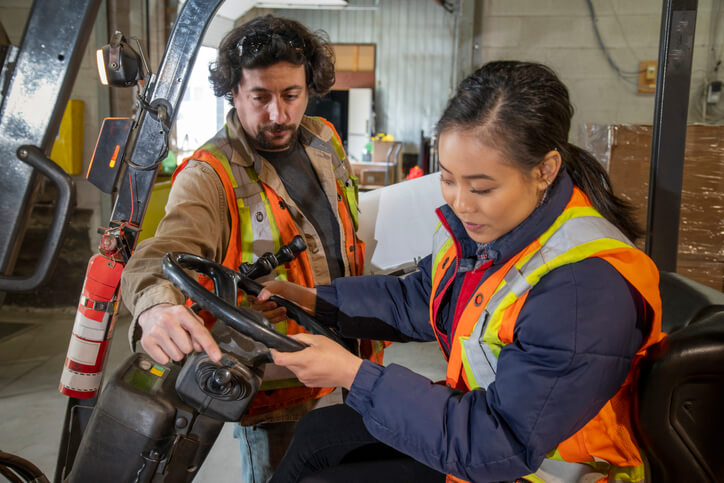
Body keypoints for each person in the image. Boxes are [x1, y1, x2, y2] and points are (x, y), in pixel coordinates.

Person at [257, 61, 665, 483]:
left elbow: (501, 442)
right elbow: (422, 297)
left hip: (529, 468)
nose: (461, 202)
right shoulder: (490, 231)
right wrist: (315, 300)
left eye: (482, 187)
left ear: (544, 170)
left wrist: (353, 374)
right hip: (478, 433)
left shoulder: (583, 288)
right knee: (318, 434)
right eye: (449, 179)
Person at [120, 15, 384, 483]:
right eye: (260, 97)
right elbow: (158, 256)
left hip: (353, 363)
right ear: (234, 93)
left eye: (291, 95)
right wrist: (154, 308)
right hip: (279, 391)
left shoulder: (325, 140)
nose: (278, 114)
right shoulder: (211, 174)